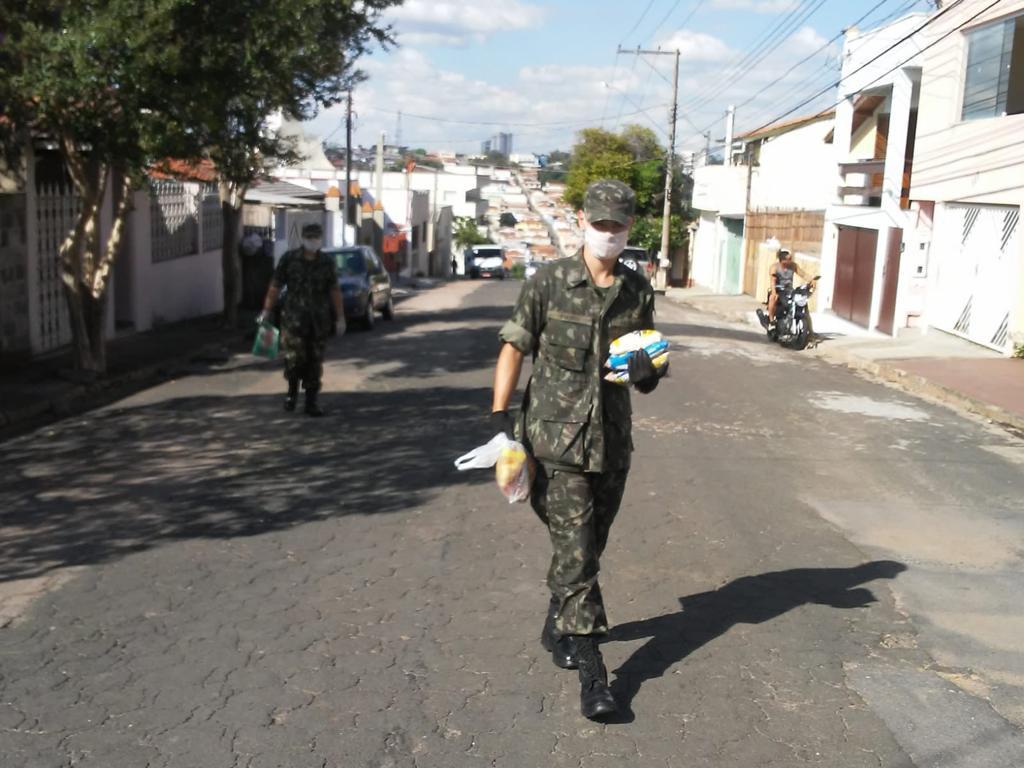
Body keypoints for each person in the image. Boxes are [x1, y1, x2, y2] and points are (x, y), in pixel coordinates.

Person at [490, 179, 666, 720]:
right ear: (583, 221)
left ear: (629, 227)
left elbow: (650, 364)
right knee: (577, 553)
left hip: (612, 443)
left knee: (587, 549)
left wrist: (648, 375)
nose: (608, 233)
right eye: (600, 223)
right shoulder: (548, 282)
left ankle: (558, 618)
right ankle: (595, 675)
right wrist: (500, 421)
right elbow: (513, 348)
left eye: (617, 225)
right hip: (555, 443)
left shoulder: (637, 291)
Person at [258, 222, 344, 416]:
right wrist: (266, 310)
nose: (313, 241)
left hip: (318, 321)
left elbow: (334, 290)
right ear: (303, 239)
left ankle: (311, 402)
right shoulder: (289, 259)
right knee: (293, 359)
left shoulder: (327, 262)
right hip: (293, 320)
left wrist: (340, 317)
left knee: (315, 361)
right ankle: (291, 394)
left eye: (316, 238)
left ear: (320, 240)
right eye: (310, 238)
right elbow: (275, 285)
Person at [760, 247, 808, 329]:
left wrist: (812, 280)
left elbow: (803, 274)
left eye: (791, 259)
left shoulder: (793, 266)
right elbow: (773, 281)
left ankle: (809, 329)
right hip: (778, 289)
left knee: (802, 302)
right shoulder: (774, 268)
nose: (791, 261)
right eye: (789, 259)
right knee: (773, 298)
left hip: (789, 290)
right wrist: (774, 292)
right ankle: (771, 321)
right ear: (783, 260)